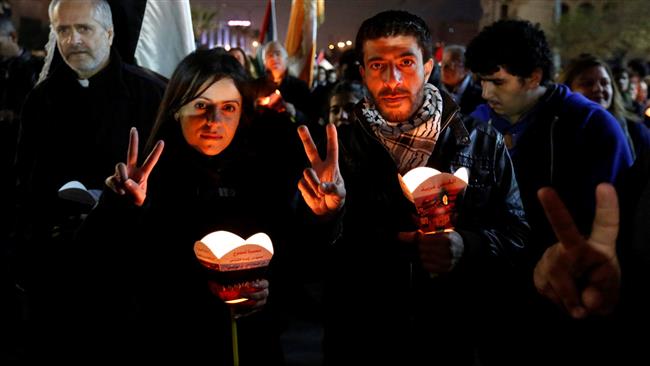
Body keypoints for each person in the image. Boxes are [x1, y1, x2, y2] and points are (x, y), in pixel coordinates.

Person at [296, 10, 529, 365]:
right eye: (377, 65)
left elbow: (518, 236)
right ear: (362, 73)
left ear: (428, 67)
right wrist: (328, 216)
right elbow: (307, 262)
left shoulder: (481, 143)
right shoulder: (338, 152)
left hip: (453, 338)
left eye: (405, 62)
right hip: (363, 339)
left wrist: (467, 244)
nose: (392, 79)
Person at [76, 50, 292, 364]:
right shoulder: (148, 179)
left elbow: (294, 260)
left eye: (228, 108)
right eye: (201, 106)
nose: (214, 121)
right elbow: (94, 263)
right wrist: (118, 206)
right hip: (171, 344)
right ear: (177, 109)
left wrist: (267, 295)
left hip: (252, 344)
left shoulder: (263, 177)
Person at [465, 19, 634, 365]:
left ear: (534, 77)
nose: (486, 93)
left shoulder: (592, 125)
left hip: (565, 307)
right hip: (491, 305)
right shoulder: (476, 122)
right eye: (481, 81)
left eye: (497, 82)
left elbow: (621, 222)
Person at [13, 0, 165, 360]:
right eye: (63, 30)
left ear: (109, 33)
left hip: (127, 272)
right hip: (57, 272)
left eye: (84, 29)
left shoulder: (151, 94)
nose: (73, 40)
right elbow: (23, 183)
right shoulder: (40, 99)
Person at [560, 54, 650, 161]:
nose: (598, 88)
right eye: (588, 84)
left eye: (604, 83)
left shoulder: (636, 132)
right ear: (568, 89)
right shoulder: (555, 131)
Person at [252, 41, 311, 126]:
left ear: (286, 59)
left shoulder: (299, 86)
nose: (274, 58)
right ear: (264, 63)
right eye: (269, 55)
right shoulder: (256, 86)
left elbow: (310, 120)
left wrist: (294, 112)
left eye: (278, 54)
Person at [439, 44, 483, 115]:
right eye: (443, 63)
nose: (444, 68)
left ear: (466, 68)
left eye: (452, 65)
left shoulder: (481, 97)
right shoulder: (433, 90)